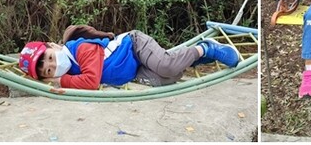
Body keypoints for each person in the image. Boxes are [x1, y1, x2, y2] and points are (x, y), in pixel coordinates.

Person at [19, 23, 240, 89]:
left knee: (166, 66)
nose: (53, 64)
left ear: (54, 46)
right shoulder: (72, 71)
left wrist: (59, 81)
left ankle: (206, 48)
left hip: (134, 46)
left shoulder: (80, 49)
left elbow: (91, 81)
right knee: (167, 79)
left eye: (49, 57)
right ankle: (196, 57)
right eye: (49, 70)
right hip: (133, 70)